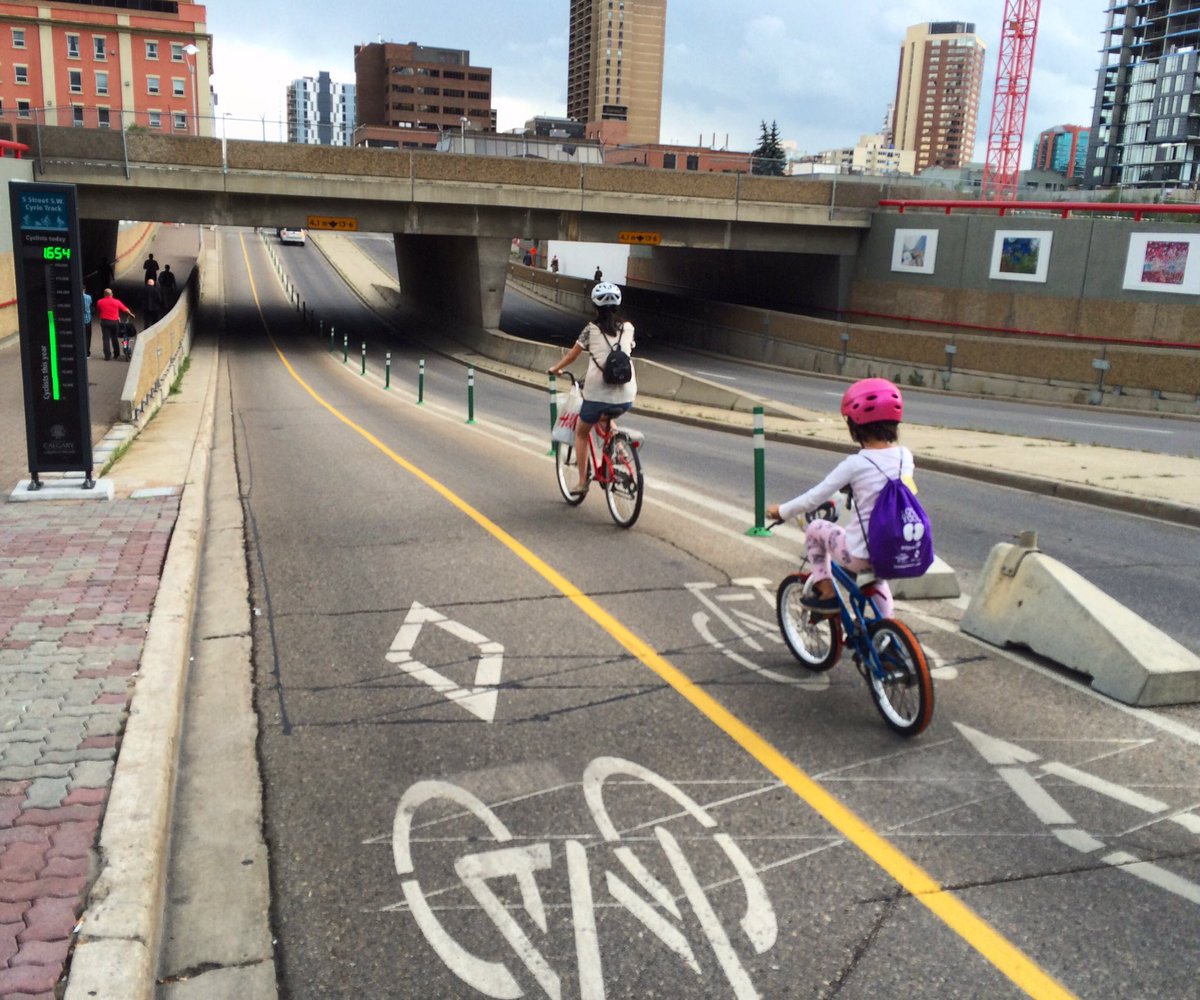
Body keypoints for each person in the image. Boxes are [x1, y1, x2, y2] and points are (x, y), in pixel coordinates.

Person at [766, 378, 914, 619]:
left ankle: (827, 592)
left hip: (860, 555)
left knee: (815, 529)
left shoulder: (856, 464)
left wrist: (781, 511)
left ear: (855, 426)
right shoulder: (905, 456)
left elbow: (813, 498)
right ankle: (887, 631)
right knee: (876, 579)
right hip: (896, 550)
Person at [546, 282, 637, 496]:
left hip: (597, 394)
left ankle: (581, 481)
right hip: (627, 395)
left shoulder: (590, 329)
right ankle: (621, 451)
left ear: (595, 306)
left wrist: (555, 369)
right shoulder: (629, 328)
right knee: (607, 416)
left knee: (582, 431)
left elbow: (572, 356)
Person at [95, 288, 134, 361]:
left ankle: (107, 356)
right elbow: (125, 309)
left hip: (104, 322)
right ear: (111, 294)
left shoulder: (99, 302)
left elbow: (98, 309)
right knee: (114, 338)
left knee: (106, 339)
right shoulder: (117, 302)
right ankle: (116, 354)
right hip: (114, 322)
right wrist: (131, 315)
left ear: (104, 294)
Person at [81, 289, 93, 357]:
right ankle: (87, 353)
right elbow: (90, 305)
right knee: (88, 337)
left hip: (79, 320)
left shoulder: (77, 297)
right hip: (87, 319)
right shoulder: (88, 297)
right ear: (84, 290)